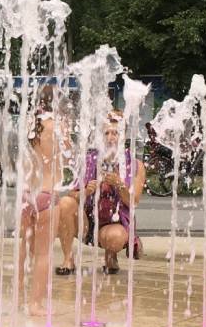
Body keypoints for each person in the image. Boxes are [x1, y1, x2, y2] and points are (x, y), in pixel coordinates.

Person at [55, 115, 146, 275]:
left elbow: (134, 202)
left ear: (122, 136)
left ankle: (110, 256)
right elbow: (72, 194)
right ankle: (68, 259)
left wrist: (119, 183)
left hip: (114, 224)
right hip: (88, 222)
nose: (110, 138)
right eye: (106, 133)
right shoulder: (90, 159)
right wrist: (85, 191)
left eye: (115, 133)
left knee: (115, 237)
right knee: (65, 203)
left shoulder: (135, 165)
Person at [18, 94, 62, 316]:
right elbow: (61, 174)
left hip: (26, 195)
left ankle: (17, 298)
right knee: (43, 254)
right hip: (47, 194)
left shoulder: (30, 127)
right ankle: (35, 304)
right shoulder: (56, 129)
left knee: (21, 250)